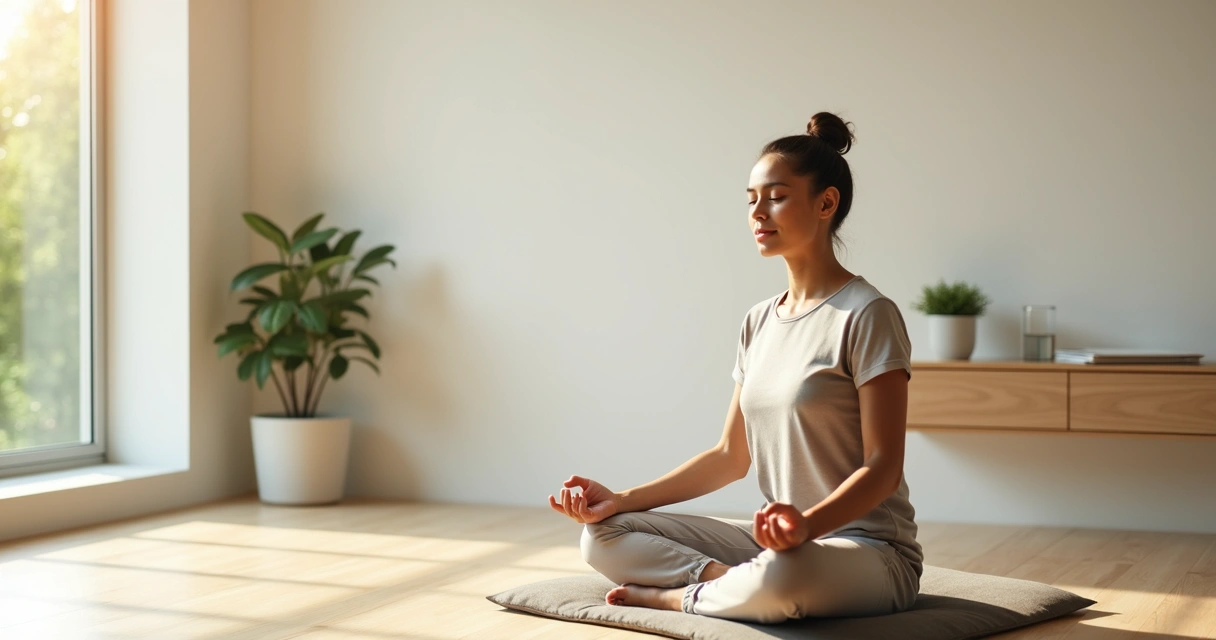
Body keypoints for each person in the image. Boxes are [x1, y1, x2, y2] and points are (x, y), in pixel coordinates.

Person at [547, 112, 922, 624]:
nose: (758, 212)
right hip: (780, 543)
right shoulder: (758, 320)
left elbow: (883, 468)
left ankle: (676, 597)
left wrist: (803, 528)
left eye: (777, 196)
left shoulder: (867, 313)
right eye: (751, 199)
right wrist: (619, 499)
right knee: (602, 536)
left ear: (826, 203)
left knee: (785, 577)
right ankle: (728, 584)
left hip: (869, 551)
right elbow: (729, 456)